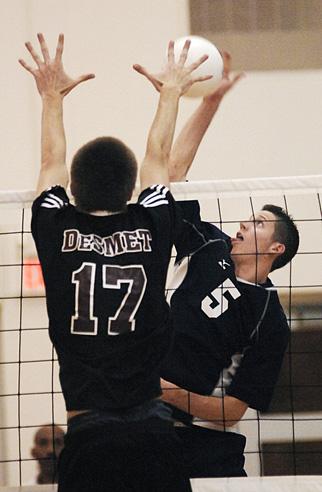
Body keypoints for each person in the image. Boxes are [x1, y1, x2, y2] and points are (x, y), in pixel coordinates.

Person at [19, 33, 212, 491]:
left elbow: (50, 162)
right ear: (131, 192)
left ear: (74, 190)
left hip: (88, 435)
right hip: (153, 431)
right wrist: (170, 93)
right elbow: (158, 159)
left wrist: (51, 97)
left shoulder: (55, 228)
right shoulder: (151, 227)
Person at [160, 52, 300, 478]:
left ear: (276, 249)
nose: (243, 222)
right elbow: (172, 172)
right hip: (149, 428)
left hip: (208, 447)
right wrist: (210, 103)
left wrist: (169, 393)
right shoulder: (207, 246)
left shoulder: (269, 320)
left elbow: (232, 412)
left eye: (257, 223)